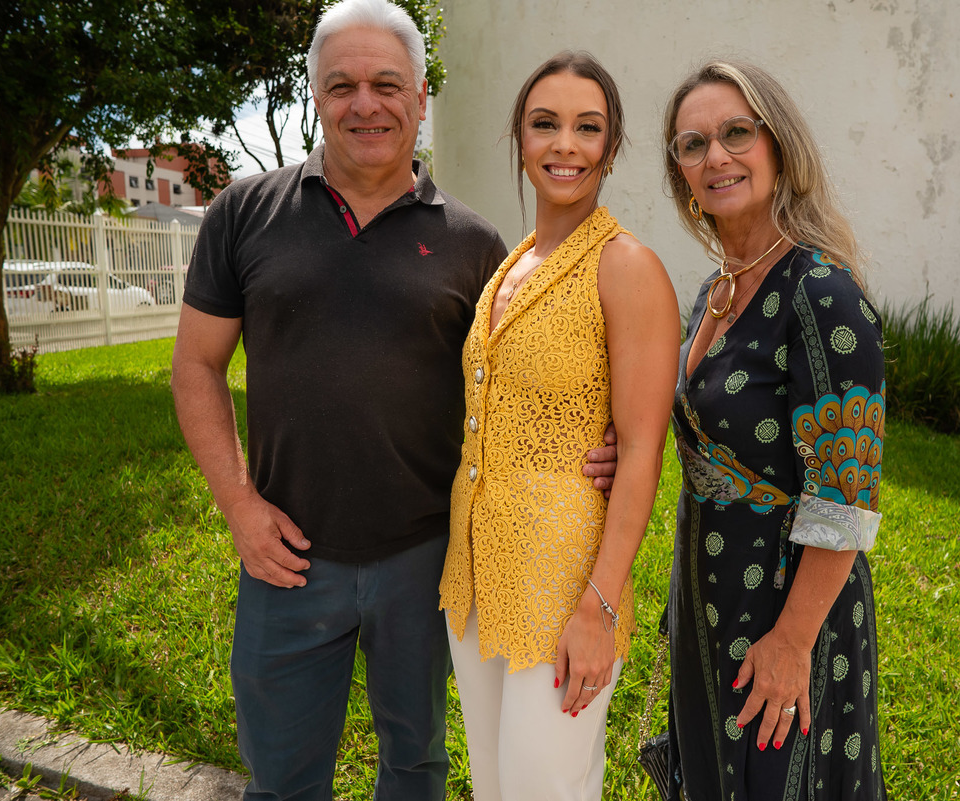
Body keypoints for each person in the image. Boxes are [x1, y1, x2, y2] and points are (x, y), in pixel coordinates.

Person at [169, 3, 618, 799]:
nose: (364, 104)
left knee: (416, 766)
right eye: (342, 85)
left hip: (428, 559)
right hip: (286, 558)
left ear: (418, 96)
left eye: (385, 84)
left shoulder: (475, 244)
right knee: (279, 775)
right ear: (316, 95)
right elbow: (196, 367)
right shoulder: (244, 212)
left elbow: (523, 383)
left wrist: (596, 440)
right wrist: (239, 505)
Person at [438, 52, 679, 800]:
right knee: (494, 786)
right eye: (545, 124)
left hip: (564, 587)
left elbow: (642, 450)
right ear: (520, 137)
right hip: (475, 578)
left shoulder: (626, 266)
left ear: (611, 146)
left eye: (587, 127)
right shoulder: (512, 265)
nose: (564, 145)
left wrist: (599, 608)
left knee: (547, 788)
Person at [660, 59, 887, 799]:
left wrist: (792, 642)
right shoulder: (713, 289)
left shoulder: (820, 290)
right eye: (693, 144)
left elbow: (846, 494)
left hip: (788, 606)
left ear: (778, 145)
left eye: (736, 133)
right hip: (710, 588)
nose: (715, 157)